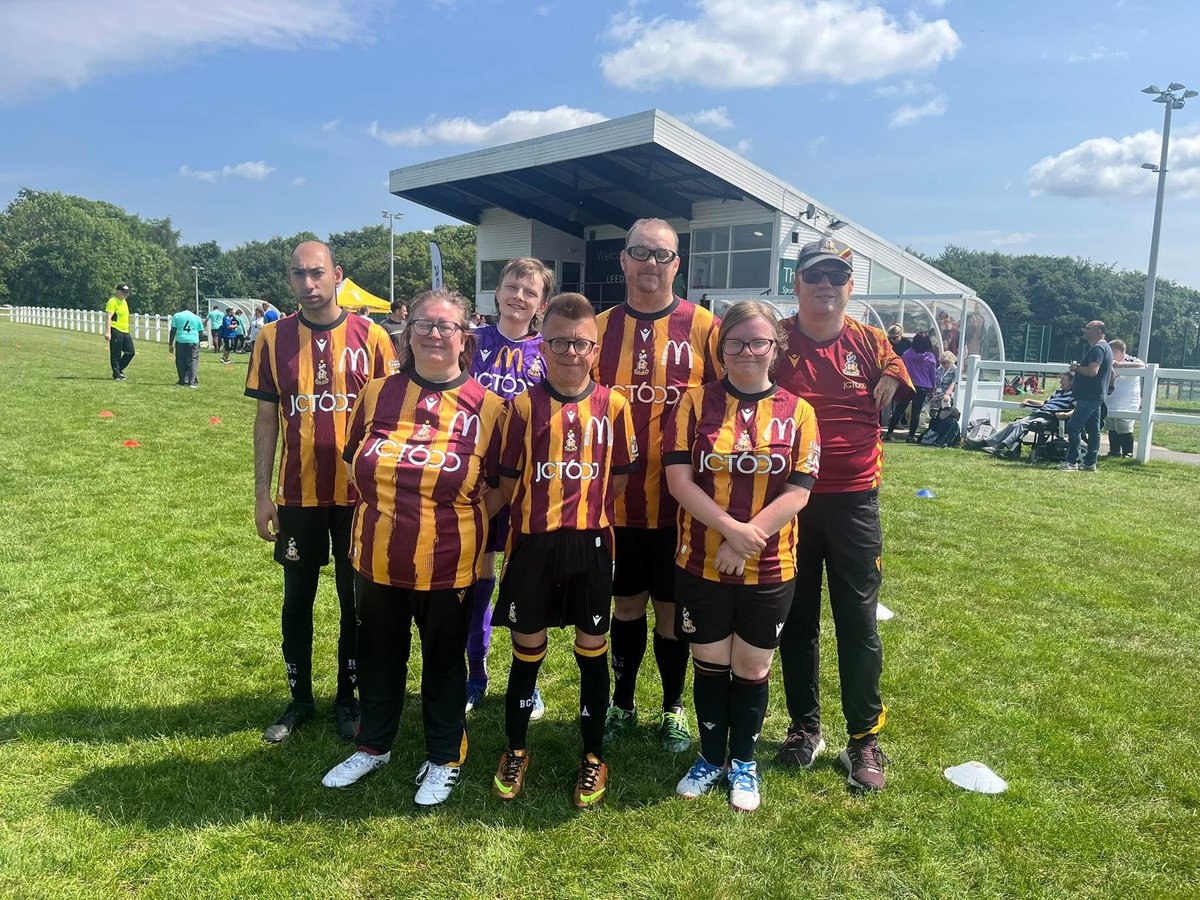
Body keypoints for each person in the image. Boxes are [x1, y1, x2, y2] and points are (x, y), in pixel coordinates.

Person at [320, 289, 507, 807]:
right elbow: (353, 456)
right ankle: (374, 745)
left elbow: (501, 485)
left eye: (446, 326)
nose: (434, 335)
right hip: (377, 554)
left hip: (450, 561)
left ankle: (444, 756)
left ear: (464, 336)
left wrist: (456, 520)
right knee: (378, 653)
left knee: (444, 661)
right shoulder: (377, 393)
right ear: (408, 332)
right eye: (424, 324)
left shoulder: (488, 407)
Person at [665, 301, 820, 813]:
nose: (748, 352)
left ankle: (744, 762)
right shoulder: (693, 405)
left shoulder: (799, 411)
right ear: (721, 348)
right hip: (702, 560)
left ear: (775, 347)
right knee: (709, 661)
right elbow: (678, 480)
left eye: (759, 343)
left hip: (770, 563)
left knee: (752, 667)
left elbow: (800, 488)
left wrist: (747, 538)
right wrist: (729, 530)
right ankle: (711, 757)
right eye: (736, 343)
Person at [245, 241, 398, 746]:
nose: (308, 285)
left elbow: (390, 421)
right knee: (297, 600)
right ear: (289, 279)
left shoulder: (373, 337)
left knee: (355, 602)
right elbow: (266, 419)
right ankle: (299, 698)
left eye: (317, 274)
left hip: (358, 501)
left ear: (337, 275)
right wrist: (261, 493)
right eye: (298, 275)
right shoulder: (270, 338)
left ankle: (346, 696)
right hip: (296, 497)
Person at [490, 292, 638, 809]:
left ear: (595, 349)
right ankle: (515, 748)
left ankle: (593, 755)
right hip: (531, 546)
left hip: (592, 547)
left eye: (580, 344)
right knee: (525, 655)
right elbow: (507, 484)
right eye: (558, 342)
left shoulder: (615, 407)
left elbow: (618, 480)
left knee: (591, 655)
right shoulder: (522, 408)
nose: (570, 352)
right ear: (542, 345)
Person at [774, 236, 911, 793]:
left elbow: (902, 369)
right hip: (788, 498)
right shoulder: (777, 338)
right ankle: (805, 728)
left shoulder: (873, 341)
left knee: (857, 622)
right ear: (798, 283)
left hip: (854, 500)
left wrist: (896, 374)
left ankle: (864, 740)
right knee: (796, 618)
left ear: (850, 287)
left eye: (836, 277)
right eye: (814, 276)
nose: (825, 285)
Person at [592, 217, 721, 753]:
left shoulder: (706, 327)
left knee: (671, 613)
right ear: (622, 260)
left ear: (677, 264)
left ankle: (672, 708)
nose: (650, 263)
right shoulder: (597, 330)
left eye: (661, 255)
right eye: (639, 253)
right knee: (624, 608)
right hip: (616, 502)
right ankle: (622, 704)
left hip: (683, 506)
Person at [465, 258, 553, 715]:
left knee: (526, 584)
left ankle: (527, 680)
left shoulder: (549, 351)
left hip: (525, 486)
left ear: (540, 305)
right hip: (474, 480)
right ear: (497, 292)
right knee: (478, 578)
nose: (519, 295)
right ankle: (475, 672)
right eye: (512, 285)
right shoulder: (471, 342)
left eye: (530, 291)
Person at [982, 372, 1074, 456]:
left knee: (1022, 425)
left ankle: (1000, 446)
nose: (1060, 382)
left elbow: (1078, 409)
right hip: (1039, 413)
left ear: (1071, 382)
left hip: (1050, 417)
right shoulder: (1058, 392)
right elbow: (1044, 403)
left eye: (1063, 379)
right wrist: (1029, 400)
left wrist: (1065, 415)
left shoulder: (1073, 395)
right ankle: (987, 442)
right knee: (1013, 424)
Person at [1063, 320, 1113, 473]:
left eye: (1089, 328)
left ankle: (1072, 462)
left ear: (1099, 331)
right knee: (1093, 429)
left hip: (1090, 395)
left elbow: (1092, 371)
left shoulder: (1097, 349)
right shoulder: (1106, 347)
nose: (1085, 330)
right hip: (1095, 395)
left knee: (1073, 426)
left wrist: (1076, 368)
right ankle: (1090, 463)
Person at [887, 332, 935, 443]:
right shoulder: (930, 357)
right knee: (916, 412)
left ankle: (889, 433)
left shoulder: (907, 354)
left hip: (908, 384)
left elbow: (901, 369)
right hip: (923, 386)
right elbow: (932, 375)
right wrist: (932, 389)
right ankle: (911, 436)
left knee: (899, 409)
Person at [1107, 339, 1144, 458]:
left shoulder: (1130, 359)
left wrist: (1121, 365)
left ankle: (1127, 452)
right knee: (1111, 425)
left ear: (1117, 351)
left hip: (1127, 402)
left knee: (1124, 426)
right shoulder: (1109, 362)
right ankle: (1114, 451)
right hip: (1111, 400)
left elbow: (1141, 365)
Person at [168, 300, 204, 387]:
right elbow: (201, 332)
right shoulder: (196, 317)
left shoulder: (177, 316)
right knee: (193, 361)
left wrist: (170, 343)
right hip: (193, 340)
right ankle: (192, 382)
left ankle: (182, 380)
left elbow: (173, 330)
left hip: (181, 340)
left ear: (182, 308)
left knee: (180, 361)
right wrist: (199, 341)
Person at [104, 283, 135, 381]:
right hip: (116, 329)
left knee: (131, 352)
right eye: (123, 293)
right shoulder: (112, 301)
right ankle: (117, 375)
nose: (125, 295)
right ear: (118, 291)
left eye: (126, 293)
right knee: (116, 353)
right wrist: (108, 332)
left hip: (125, 330)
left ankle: (118, 370)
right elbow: (109, 316)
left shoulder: (124, 302)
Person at [928, 350, 958, 420]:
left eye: (944, 363)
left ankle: (946, 420)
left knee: (946, 401)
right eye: (940, 362)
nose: (942, 364)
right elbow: (935, 380)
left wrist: (947, 393)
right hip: (937, 392)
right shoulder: (940, 369)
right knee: (926, 401)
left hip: (947, 393)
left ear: (950, 361)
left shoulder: (955, 370)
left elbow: (954, 383)